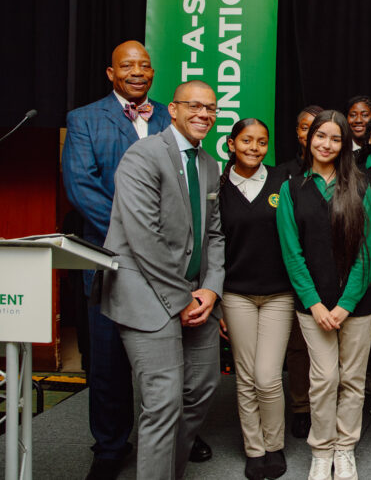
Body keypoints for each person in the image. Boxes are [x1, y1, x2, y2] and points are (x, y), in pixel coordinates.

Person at [100, 80, 225, 480]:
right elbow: (142, 237)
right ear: (172, 110)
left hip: (196, 294)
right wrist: (182, 297)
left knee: (201, 390)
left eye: (211, 108)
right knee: (163, 402)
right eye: (195, 106)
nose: (204, 114)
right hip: (146, 296)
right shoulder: (144, 154)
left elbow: (216, 234)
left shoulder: (208, 165)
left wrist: (210, 288)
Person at [62, 40, 175, 480]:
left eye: (144, 65)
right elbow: (80, 186)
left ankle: (171, 435)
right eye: (127, 65)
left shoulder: (172, 116)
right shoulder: (84, 119)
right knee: (108, 357)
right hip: (107, 256)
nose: (137, 71)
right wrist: (134, 233)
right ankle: (110, 446)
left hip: (168, 258)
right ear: (111, 73)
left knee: (167, 357)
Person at [276, 109, 371, 480]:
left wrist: (346, 304)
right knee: (323, 380)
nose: (327, 144)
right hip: (314, 306)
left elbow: (369, 251)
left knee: (352, 379)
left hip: (358, 305)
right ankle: (321, 450)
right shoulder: (291, 188)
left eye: (336, 138)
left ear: (345, 144)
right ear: (309, 138)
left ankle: (344, 447)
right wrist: (316, 304)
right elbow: (292, 253)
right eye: (321, 136)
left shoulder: (362, 186)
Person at [218, 118, 292, 479]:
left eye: (261, 142)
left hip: (279, 294)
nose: (254, 148)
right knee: (246, 376)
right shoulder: (216, 186)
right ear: (231, 144)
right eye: (246, 140)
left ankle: (274, 444)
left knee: (268, 375)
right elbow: (212, 247)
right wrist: (216, 301)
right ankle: (255, 448)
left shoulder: (283, 182)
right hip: (236, 295)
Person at [278, 103, 323, 440]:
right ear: (298, 133)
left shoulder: (344, 174)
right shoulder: (283, 175)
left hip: (331, 276)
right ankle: (301, 408)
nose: (312, 134)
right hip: (292, 276)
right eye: (306, 127)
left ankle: (329, 406)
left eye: (318, 128)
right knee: (297, 347)